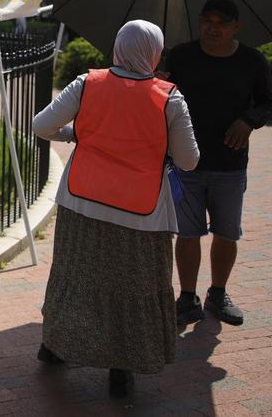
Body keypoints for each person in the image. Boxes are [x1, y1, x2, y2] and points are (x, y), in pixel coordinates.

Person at [33, 20, 199, 396]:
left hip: (82, 203)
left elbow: (42, 126)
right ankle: (121, 367)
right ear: (155, 54)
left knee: (76, 277)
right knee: (131, 286)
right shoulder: (169, 98)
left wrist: (75, 132)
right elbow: (189, 161)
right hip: (140, 213)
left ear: (118, 46)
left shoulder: (86, 84)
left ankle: (55, 346)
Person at [165, 0, 272, 327]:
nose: (212, 28)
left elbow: (268, 102)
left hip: (230, 163)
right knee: (188, 233)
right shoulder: (181, 55)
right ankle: (187, 297)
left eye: (221, 22)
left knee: (227, 233)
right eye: (206, 21)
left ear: (235, 27)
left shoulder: (252, 61)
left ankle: (218, 292)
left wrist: (249, 120)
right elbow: (162, 94)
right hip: (186, 162)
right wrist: (157, 81)